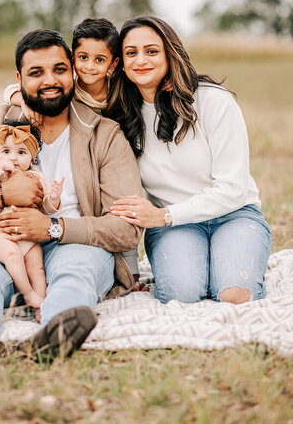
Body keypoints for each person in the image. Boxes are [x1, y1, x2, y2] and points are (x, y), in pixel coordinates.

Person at [0, 28, 143, 359]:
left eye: (59, 69)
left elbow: (128, 228)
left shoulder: (104, 133)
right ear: (18, 78)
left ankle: (50, 338)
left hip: (76, 242)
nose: (50, 80)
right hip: (1, 240)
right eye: (36, 72)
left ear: (72, 71)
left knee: (75, 276)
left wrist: (53, 228)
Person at [109, 15, 271, 305]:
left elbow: (233, 188)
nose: (141, 60)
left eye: (152, 51)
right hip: (174, 226)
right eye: (131, 53)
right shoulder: (121, 115)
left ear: (170, 54)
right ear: (120, 62)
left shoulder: (212, 101)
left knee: (234, 295)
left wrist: (163, 216)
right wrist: (17, 95)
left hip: (233, 214)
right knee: (181, 296)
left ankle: (230, 263)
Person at [3, 17, 141, 281]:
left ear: (113, 64)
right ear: (73, 59)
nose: (89, 66)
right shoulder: (66, 87)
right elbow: (19, 87)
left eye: (99, 60)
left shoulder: (120, 93)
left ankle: (130, 269)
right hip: (81, 146)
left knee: (123, 201)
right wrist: (21, 99)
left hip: (113, 147)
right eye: (82, 58)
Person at [0, 119, 64, 317]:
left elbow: (44, 205)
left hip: (27, 237)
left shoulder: (36, 177)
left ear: (31, 159)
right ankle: (29, 294)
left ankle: (41, 305)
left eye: (21, 152)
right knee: (13, 255)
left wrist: (54, 199)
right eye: (6, 151)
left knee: (37, 265)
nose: (12, 158)